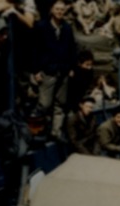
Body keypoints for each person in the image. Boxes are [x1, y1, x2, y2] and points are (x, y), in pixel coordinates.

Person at [33, 0, 77, 140]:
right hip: (48, 71)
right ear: (52, 10)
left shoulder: (67, 28)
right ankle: (41, 132)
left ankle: (56, 132)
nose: (60, 12)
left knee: (60, 105)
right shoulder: (41, 27)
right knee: (44, 104)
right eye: (57, 9)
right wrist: (36, 70)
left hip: (63, 71)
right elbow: (34, 50)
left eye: (62, 10)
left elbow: (72, 49)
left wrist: (71, 67)